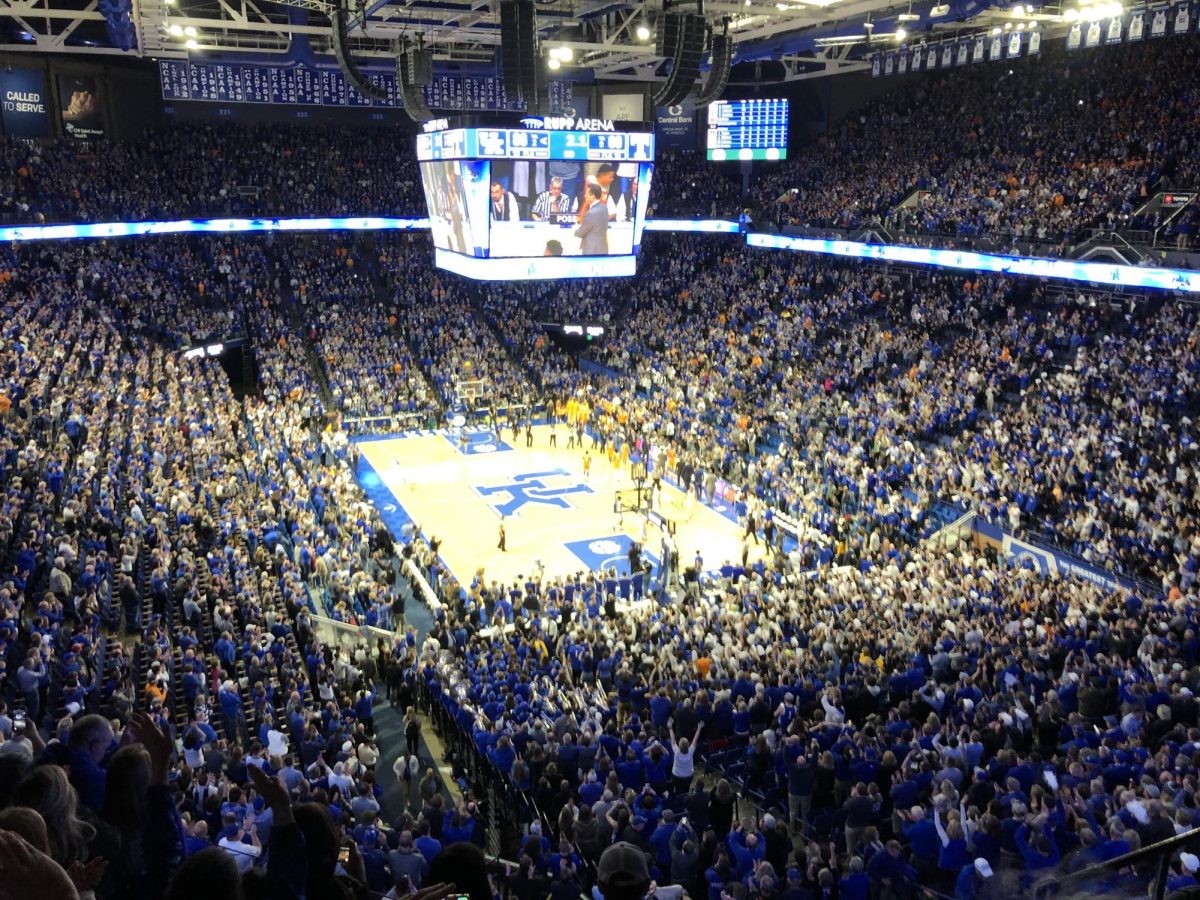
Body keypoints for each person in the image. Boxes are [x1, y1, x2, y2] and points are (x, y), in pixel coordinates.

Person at [575, 185, 610, 256]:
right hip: (603, 248)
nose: (585, 196)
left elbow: (580, 233)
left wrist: (575, 231)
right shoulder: (605, 208)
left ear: (593, 196)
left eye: (586, 194)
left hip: (591, 250)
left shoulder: (590, 213)